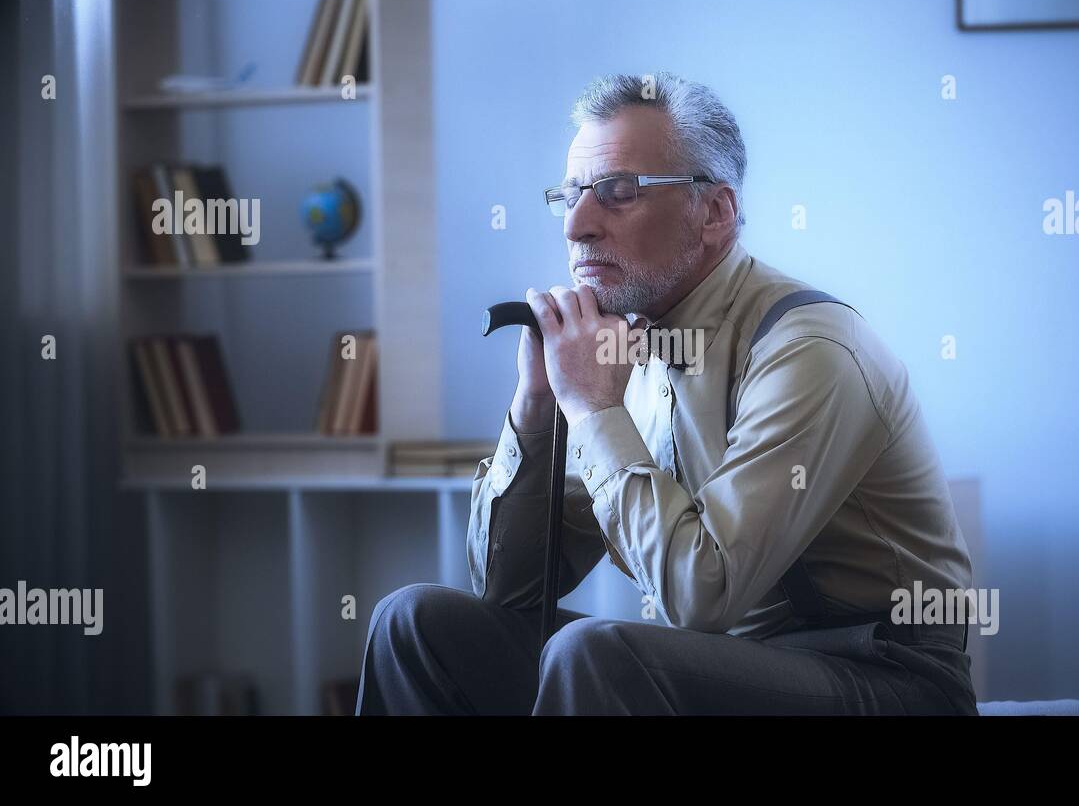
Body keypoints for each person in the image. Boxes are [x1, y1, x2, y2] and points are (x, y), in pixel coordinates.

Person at [356, 72, 976, 715]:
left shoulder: (811, 349)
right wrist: (539, 408)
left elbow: (702, 597)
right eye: (569, 195)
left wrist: (595, 409)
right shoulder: (621, 345)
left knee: (594, 652)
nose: (576, 226)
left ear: (714, 212)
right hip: (720, 667)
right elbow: (509, 589)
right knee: (414, 623)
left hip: (883, 677)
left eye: (617, 193)